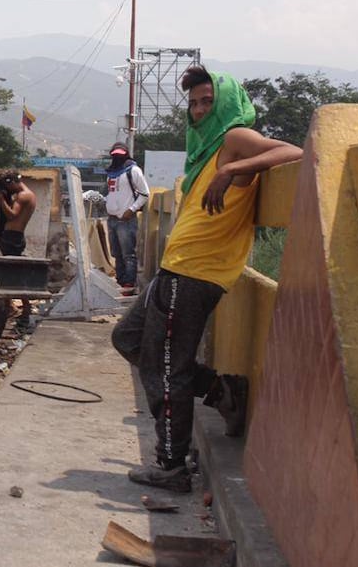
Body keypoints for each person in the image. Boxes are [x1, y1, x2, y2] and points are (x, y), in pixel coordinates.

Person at [112, 66, 302, 493]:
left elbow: (296, 152)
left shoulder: (235, 138)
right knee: (127, 340)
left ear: (227, 104)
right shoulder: (205, 147)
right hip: (177, 267)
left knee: (166, 369)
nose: (198, 111)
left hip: (197, 272)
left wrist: (229, 170)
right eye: (194, 103)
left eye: (207, 102)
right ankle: (220, 389)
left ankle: (172, 465)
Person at [0, 169, 37, 329]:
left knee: (7, 274)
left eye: (7, 185)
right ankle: (23, 308)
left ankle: (17, 307)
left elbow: (11, 215)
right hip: (15, 236)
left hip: (12, 237)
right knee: (13, 274)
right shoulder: (29, 194)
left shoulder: (22, 196)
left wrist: (1, 199)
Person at [104, 142, 150, 294]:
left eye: (120, 155)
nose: (117, 157)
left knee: (128, 253)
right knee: (116, 254)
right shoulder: (111, 173)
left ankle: (129, 283)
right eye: (115, 155)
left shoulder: (133, 170)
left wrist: (132, 209)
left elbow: (145, 194)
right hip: (112, 219)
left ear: (126, 155)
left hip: (126, 219)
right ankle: (120, 280)